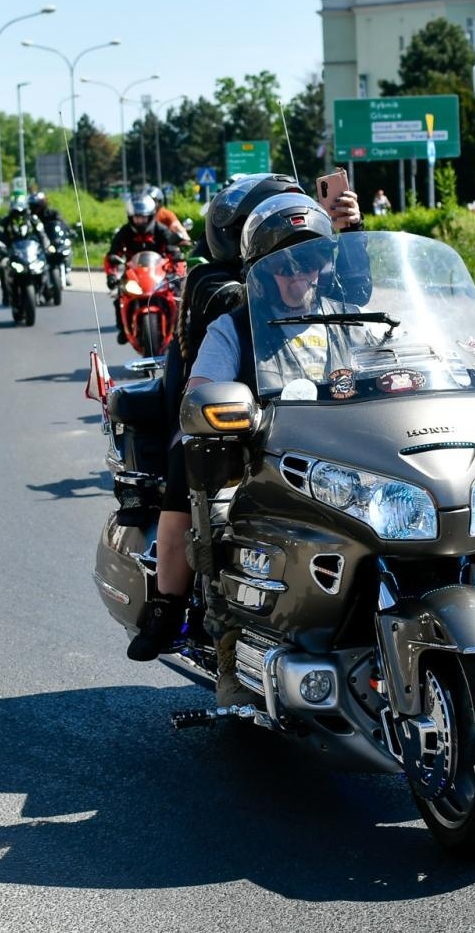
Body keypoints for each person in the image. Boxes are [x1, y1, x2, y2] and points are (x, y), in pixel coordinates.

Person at [128, 188, 366, 694]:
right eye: (285, 268)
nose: (299, 278)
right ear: (258, 268)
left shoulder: (344, 316)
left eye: (310, 266)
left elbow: (386, 361)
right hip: (256, 457)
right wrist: (231, 411)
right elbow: (201, 391)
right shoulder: (232, 326)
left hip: (334, 457)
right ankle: (217, 647)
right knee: (213, 522)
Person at [107, 193, 185, 344]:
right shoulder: (124, 232)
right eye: (136, 217)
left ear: (150, 216)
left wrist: (176, 257)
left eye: (143, 217)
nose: (140, 220)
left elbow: (173, 248)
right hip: (133, 275)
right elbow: (112, 254)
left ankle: (180, 327)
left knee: (177, 294)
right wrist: (111, 274)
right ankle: (122, 329)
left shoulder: (160, 229)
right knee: (119, 297)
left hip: (158, 273)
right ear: (130, 217)